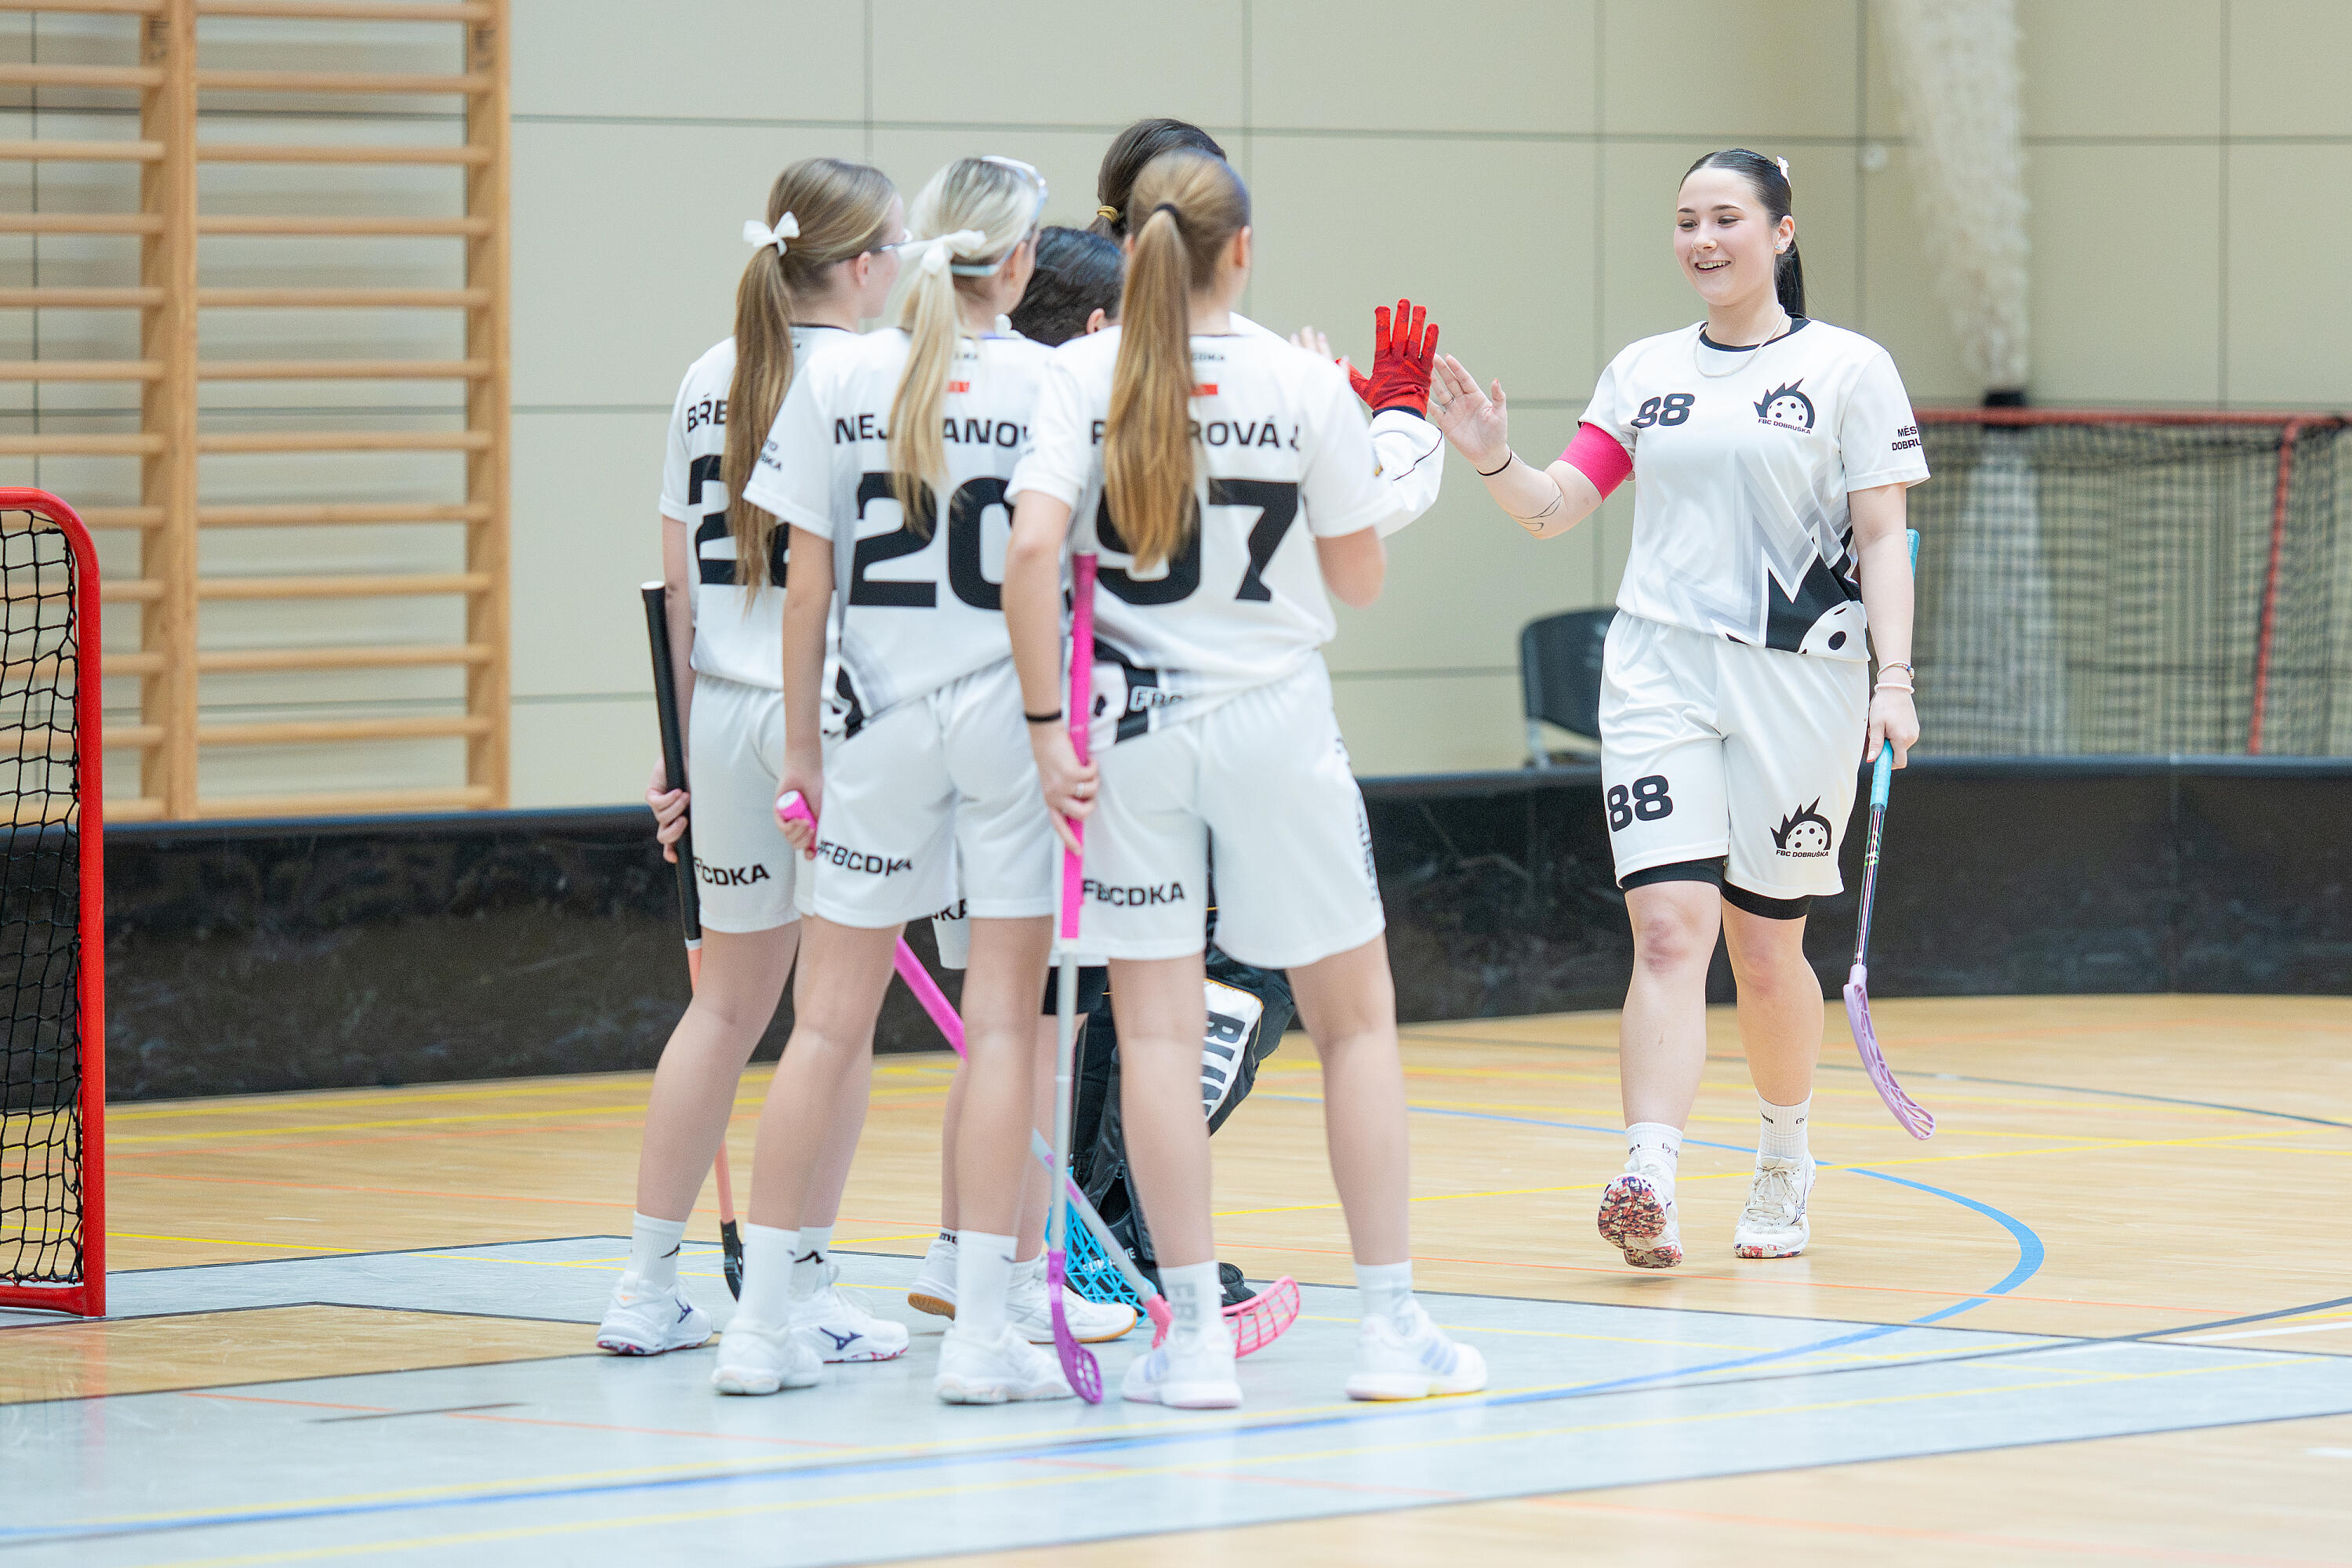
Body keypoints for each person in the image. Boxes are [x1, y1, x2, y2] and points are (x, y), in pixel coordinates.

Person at [1003, 147, 1486, 1410]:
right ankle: (1391, 1330)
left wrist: (1048, 727)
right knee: (1355, 1024)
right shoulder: (1299, 380)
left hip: (1130, 730)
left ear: (1133, 248)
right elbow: (1359, 578)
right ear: (1244, 251)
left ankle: (1193, 1342)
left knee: (1155, 1033)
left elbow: (1031, 554)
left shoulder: (1079, 375)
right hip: (1277, 727)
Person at [1426, 148, 1926, 1269]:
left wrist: (1892, 680)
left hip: (1802, 679)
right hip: (1658, 669)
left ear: (1781, 233)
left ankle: (1785, 1155)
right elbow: (1556, 507)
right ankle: (1648, 1172)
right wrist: (1496, 460)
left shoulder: (1851, 369)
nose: (1703, 239)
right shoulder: (1644, 371)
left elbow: (1884, 533)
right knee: (1666, 930)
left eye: (1727, 218)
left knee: (1766, 949)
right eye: (1688, 220)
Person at [713, 156, 1077, 1405]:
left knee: (823, 1025)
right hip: (1005, 726)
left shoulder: (843, 376)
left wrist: (803, 751)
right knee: (1002, 1027)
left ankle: (760, 1328)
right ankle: (981, 1336)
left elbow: (802, 588)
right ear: (1018, 261)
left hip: (869, 724)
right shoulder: (1053, 384)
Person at [597, 158, 907, 1363]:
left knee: (723, 1009)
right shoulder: (878, 374)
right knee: (835, 1021)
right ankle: (802, 1287)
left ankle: (644, 1287)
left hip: (723, 715)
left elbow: (675, 590)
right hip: (829, 720)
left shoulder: (705, 373)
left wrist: (675, 755)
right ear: (865, 265)